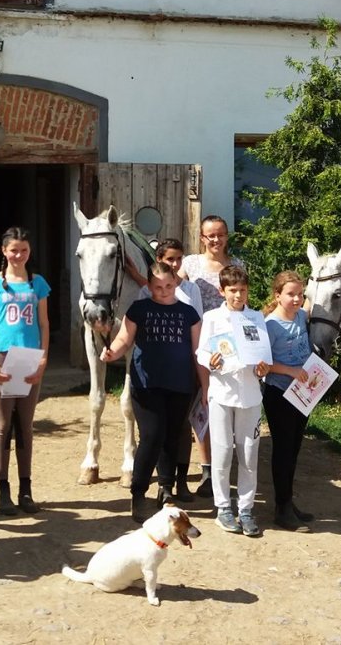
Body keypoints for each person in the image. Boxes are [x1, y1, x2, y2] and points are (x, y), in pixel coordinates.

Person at [104, 261, 201, 522]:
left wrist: (205, 382)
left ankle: (166, 490)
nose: (164, 291)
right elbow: (125, 338)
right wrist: (112, 350)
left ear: (175, 283)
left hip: (180, 384)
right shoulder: (140, 309)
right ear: (149, 286)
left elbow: (197, 351)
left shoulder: (189, 313)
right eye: (158, 287)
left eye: (168, 285)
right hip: (147, 384)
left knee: (171, 436)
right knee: (152, 435)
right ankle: (139, 493)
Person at [0, 227, 50, 516]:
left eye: (23, 250)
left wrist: (43, 359)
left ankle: (25, 489)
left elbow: (44, 324)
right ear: (4, 251)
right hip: (0, 356)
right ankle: (2, 490)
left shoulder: (38, 284)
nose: (18, 255)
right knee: (2, 425)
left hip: (30, 358)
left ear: (29, 251)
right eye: (13, 250)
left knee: (25, 424)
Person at [196, 264, 269, 537]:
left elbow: (264, 357)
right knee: (223, 452)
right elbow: (202, 352)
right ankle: (223, 507)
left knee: (249, 455)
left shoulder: (256, 317)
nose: (238, 296)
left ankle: (246, 509)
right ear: (222, 291)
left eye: (243, 290)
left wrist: (263, 369)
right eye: (233, 291)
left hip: (250, 395)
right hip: (222, 394)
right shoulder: (212, 317)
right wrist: (210, 361)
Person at [180, 215, 243, 496]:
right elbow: (167, 286)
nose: (215, 240)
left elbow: (243, 305)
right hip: (196, 343)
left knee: (225, 404)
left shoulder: (237, 265)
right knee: (200, 405)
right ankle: (207, 469)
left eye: (220, 234)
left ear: (227, 236)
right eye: (210, 235)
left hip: (228, 348)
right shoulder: (190, 264)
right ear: (202, 238)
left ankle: (225, 464)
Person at [137, 238, 202, 502]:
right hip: (155, 369)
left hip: (184, 366)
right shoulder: (146, 292)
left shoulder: (191, 289)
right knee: (157, 428)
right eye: (169, 259)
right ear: (159, 260)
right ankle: (163, 484)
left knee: (181, 426)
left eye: (178, 259)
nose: (175, 264)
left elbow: (197, 324)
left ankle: (182, 481)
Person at [261, 270, 317, 532]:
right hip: (279, 393)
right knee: (283, 450)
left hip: (304, 393)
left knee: (294, 449)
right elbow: (264, 364)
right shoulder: (270, 325)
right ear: (278, 295)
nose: (296, 299)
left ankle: (287, 502)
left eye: (300, 294)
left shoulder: (303, 316)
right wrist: (291, 370)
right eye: (290, 294)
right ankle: (282, 509)